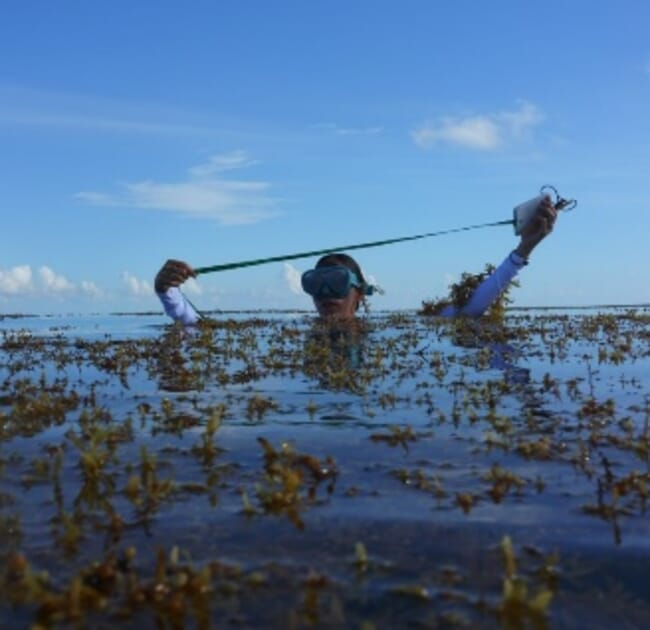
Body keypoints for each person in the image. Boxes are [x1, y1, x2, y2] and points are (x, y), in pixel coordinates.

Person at [154, 196, 558, 325]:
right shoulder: (291, 333)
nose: (327, 294)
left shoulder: (391, 329)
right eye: (318, 284)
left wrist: (524, 250)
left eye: (337, 283)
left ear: (360, 295)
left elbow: (470, 310)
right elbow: (200, 327)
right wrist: (167, 291)